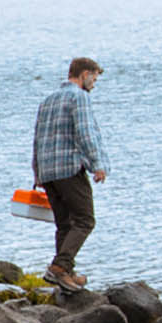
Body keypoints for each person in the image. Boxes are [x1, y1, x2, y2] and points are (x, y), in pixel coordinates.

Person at [32, 57, 108, 292]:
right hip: (69, 168)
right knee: (85, 220)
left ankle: (66, 273)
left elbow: (38, 138)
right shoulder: (79, 97)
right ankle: (59, 268)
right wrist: (98, 164)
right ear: (84, 74)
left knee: (64, 224)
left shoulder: (48, 100)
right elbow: (86, 133)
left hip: (48, 172)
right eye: (93, 78)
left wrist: (37, 174)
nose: (94, 83)